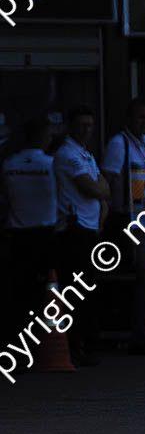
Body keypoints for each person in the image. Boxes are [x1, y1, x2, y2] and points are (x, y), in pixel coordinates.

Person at [102, 98, 145, 354]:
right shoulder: (119, 143)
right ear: (129, 118)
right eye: (141, 117)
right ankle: (143, 337)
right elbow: (108, 178)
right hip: (131, 220)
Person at [55, 106, 109, 366]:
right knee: (75, 290)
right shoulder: (67, 154)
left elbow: (104, 187)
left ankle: (85, 343)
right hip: (74, 231)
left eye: (90, 125)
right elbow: (93, 188)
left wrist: (101, 195)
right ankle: (75, 345)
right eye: (81, 125)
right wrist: (100, 190)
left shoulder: (86, 154)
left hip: (90, 229)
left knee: (88, 288)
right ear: (70, 126)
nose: (87, 130)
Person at [1, 116, 57, 341]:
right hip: (45, 234)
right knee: (43, 291)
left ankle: (17, 339)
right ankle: (38, 341)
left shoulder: (9, 164)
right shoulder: (51, 164)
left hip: (17, 236)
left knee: (18, 291)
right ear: (43, 137)